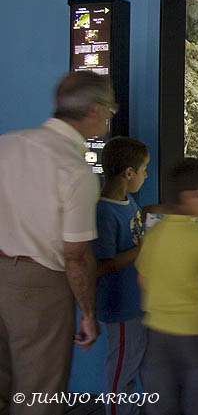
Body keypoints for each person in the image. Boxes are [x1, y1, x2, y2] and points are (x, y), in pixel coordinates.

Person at [0, 71, 115, 415]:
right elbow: (76, 255)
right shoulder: (75, 171)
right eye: (111, 108)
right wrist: (88, 314)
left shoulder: (8, 143)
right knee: (39, 390)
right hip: (38, 287)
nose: (111, 116)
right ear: (94, 110)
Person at [135, 158, 198, 415]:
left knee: (159, 399)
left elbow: (142, 279)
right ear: (190, 196)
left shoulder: (154, 234)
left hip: (156, 332)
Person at [94, 137, 150, 415]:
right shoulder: (104, 212)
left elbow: (135, 228)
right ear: (129, 173)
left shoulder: (128, 202)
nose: (146, 175)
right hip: (121, 306)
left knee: (131, 363)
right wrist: (143, 249)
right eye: (144, 169)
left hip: (134, 302)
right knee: (120, 369)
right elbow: (102, 265)